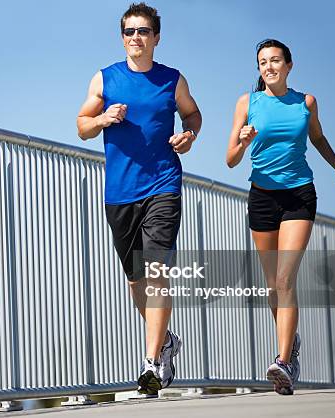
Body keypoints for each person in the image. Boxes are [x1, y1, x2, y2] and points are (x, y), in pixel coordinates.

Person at [76, 2, 202, 395]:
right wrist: (102, 119)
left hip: (163, 184)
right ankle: (165, 341)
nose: (136, 38)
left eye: (143, 31)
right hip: (120, 193)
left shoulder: (172, 79)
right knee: (137, 284)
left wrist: (189, 135)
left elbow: (192, 114)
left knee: (157, 270)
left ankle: (151, 364)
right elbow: (81, 126)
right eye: (130, 31)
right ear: (122, 37)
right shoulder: (105, 78)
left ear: (156, 37)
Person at [226, 39, 335, 395]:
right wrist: (243, 139)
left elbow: (318, 137)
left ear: (289, 65)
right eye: (262, 62)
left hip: (299, 195)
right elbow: (231, 159)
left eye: (275, 61)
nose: (268, 67)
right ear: (259, 69)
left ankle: (283, 361)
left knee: (285, 279)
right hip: (262, 198)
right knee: (273, 285)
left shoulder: (306, 102)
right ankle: (291, 343)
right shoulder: (247, 103)